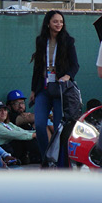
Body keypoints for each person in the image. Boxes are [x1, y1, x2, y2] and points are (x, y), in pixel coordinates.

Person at [29, 10, 79, 168]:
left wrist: (67, 76)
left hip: (60, 89)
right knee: (39, 125)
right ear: (48, 23)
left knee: (59, 127)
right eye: (55, 21)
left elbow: (75, 65)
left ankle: (61, 163)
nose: (59, 24)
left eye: (61, 22)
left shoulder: (67, 41)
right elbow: (37, 68)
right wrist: (33, 90)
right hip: (43, 88)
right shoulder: (41, 41)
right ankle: (46, 159)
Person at [0, 100, 40, 165]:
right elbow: (15, 134)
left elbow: (23, 131)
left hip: (12, 149)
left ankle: (42, 156)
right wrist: (34, 135)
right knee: (25, 139)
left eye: (5, 110)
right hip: (2, 151)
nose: (3, 112)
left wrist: (38, 132)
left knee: (29, 137)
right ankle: (44, 157)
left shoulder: (8, 124)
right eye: (0, 111)